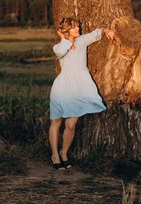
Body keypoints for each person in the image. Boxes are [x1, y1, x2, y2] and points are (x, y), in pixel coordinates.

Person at [49, 17, 115, 170]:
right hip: (62, 88)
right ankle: (54, 155)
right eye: (74, 27)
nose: (78, 29)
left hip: (79, 88)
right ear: (66, 31)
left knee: (71, 124)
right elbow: (61, 52)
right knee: (56, 122)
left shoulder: (81, 41)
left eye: (78, 26)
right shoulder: (58, 47)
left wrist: (107, 30)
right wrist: (64, 39)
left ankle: (64, 152)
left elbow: (96, 33)